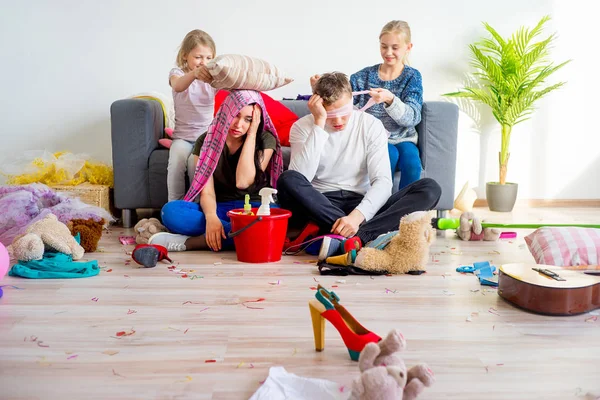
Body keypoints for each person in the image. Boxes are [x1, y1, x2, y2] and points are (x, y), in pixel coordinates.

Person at [277, 72, 440, 259]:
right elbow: (301, 177)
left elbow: (383, 182)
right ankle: (364, 235)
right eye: (331, 115)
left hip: (361, 204)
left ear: (351, 102)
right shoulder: (302, 127)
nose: (338, 122)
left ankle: (358, 235)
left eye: (343, 114)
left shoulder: (371, 125)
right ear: (319, 107)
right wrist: (319, 124)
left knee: (429, 188)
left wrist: (356, 217)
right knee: (288, 178)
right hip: (319, 205)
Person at [148, 90, 284, 252]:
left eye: (248, 119)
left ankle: (195, 242)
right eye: (235, 115)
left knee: (269, 222)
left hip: (255, 209)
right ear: (226, 112)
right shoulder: (206, 140)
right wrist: (211, 217)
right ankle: (242, 235)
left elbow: (243, 181)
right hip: (220, 208)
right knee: (170, 211)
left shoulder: (265, 139)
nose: (239, 125)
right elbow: (207, 192)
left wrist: (252, 133)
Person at [350, 20, 424, 190]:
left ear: (408, 47)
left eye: (395, 47)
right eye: (384, 46)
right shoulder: (361, 77)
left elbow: (412, 117)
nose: (388, 52)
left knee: (412, 162)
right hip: (373, 139)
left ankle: (407, 211)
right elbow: (343, 106)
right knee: (388, 156)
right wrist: (318, 89)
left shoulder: (412, 77)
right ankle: (380, 210)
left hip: (403, 138)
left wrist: (390, 99)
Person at [167, 29, 218, 201]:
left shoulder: (213, 78)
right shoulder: (178, 73)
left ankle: (195, 206)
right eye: (198, 57)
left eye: (208, 58)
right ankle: (174, 204)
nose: (203, 62)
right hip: (182, 138)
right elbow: (178, 86)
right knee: (176, 163)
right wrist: (194, 74)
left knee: (194, 165)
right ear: (185, 56)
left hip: (204, 138)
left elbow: (229, 85)